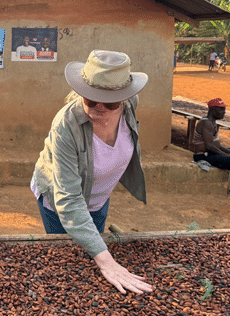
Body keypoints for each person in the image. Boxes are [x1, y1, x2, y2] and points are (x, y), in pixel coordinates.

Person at [31, 49, 153, 294]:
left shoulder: (131, 104)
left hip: (99, 198)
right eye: (90, 99)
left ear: (125, 98)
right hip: (60, 203)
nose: (100, 108)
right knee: (70, 265)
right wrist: (107, 262)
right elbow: (69, 199)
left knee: (91, 250)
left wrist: (101, 255)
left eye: (110, 102)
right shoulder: (66, 126)